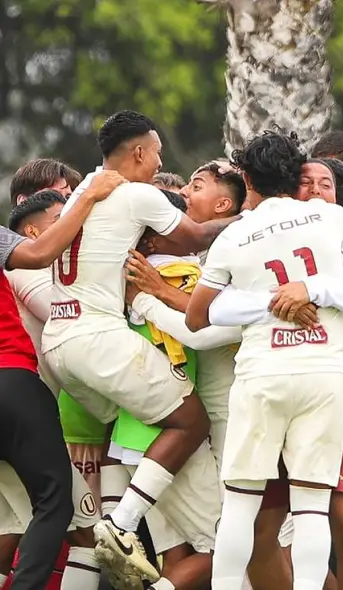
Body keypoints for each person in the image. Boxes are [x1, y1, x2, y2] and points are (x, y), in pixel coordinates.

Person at [39, 109, 238, 583]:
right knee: (191, 420)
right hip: (97, 337)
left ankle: (118, 513)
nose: (159, 163)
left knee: (135, 426)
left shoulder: (84, 191)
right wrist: (254, 216)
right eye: (158, 154)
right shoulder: (135, 193)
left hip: (60, 342)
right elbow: (192, 234)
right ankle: (119, 524)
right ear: (140, 152)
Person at [184, 130, 343, 590]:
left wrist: (264, 301)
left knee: (240, 505)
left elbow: (197, 316)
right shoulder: (326, 216)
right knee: (311, 508)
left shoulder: (234, 235)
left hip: (262, 376)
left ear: (247, 177)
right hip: (324, 374)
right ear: (295, 175)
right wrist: (301, 292)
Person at [0, 170, 124, 590]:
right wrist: (88, 197)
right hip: (11, 380)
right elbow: (38, 255)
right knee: (55, 505)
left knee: (14, 531)